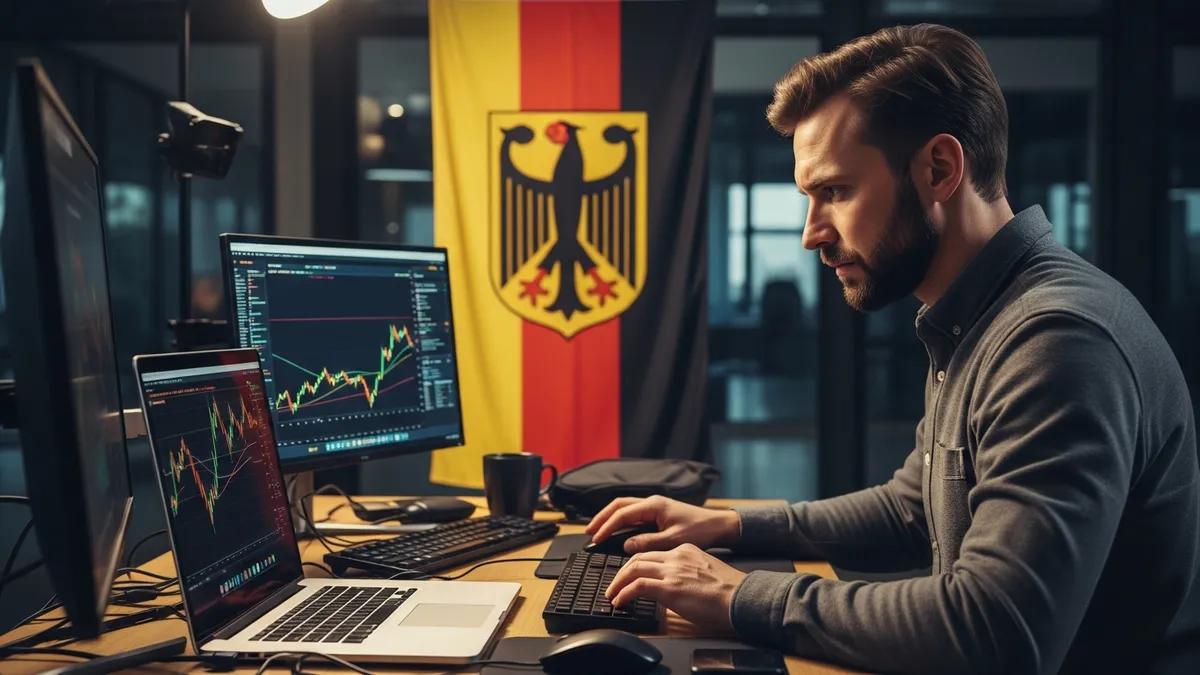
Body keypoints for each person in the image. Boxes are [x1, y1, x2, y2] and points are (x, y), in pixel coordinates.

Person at [589, 23, 1200, 675]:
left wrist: (740, 594)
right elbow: (912, 506)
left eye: (835, 192)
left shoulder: (1055, 340)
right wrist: (731, 526)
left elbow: (996, 632)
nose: (809, 234)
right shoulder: (979, 318)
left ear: (939, 169)